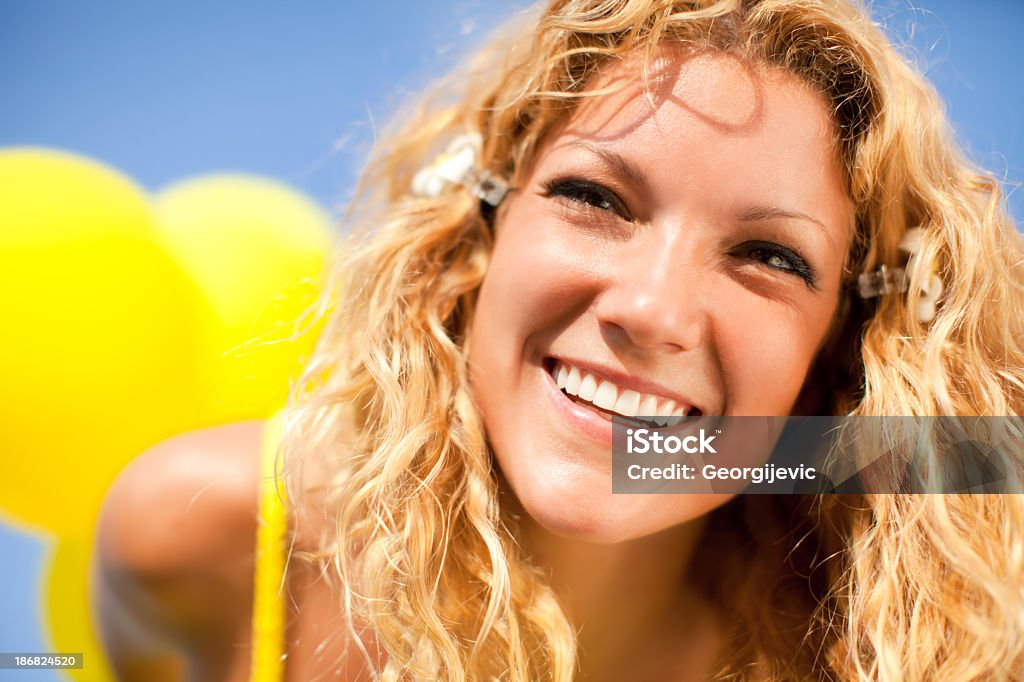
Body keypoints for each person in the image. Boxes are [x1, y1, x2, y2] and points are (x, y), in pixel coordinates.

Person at [94, 0, 1024, 680]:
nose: (652, 310)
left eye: (769, 256)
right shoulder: (205, 534)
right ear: (478, 232)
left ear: (841, 351)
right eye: (595, 198)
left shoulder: (898, 644)